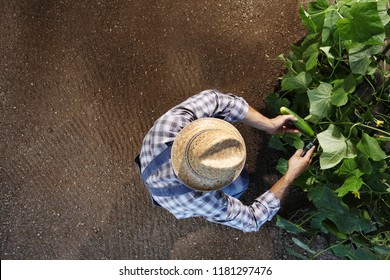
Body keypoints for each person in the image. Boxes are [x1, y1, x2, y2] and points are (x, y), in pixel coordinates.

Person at [135, 89, 315, 232]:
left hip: (149, 160)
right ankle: (231, 192)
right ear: (206, 184)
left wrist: (268, 124)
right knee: (239, 185)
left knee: (238, 181)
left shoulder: (172, 124)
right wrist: (290, 175)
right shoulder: (197, 198)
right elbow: (252, 220)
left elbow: (221, 101)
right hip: (172, 198)